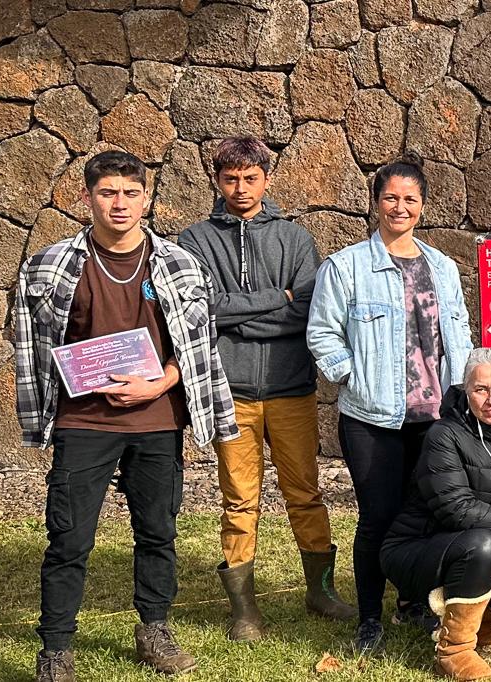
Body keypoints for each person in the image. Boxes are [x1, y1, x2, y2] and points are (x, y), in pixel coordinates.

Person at [17, 150, 238, 682]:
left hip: (157, 420)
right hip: (84, 421)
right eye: (107, 192)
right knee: (69, 538)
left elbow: (199, 345)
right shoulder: (50, 265)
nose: (120, 203)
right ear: (87, 196)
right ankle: (56, 651)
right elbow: (32, 348)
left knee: (158, 532)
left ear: (147, 198)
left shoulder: (180, 264)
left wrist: (161, 381)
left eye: (130, 193)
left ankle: (154, 630)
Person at [176, 136, 354, 641]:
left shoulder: (296, 239)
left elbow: (308, 311)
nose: (240, 187)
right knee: (239, 499)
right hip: (230, 390)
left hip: (291, 387)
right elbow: (204, 310)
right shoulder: (195, 240)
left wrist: (240, 311)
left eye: (250, 178)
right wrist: (277, 298)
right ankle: (245, 610)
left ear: (267, 179)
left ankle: (320, 591)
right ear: (217, 180)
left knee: (305, 492)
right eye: (230, 179)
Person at [308, 153, 476, 652]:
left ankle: (413, 603)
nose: (400, 207)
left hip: (433, 416)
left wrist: (461, 392)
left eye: (410, 199)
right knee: (378, 516)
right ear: (376, 202)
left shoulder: (442, 267)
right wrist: (351, 377)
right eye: (391, 198)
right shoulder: (347, 267)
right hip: (372, 418)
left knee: (422, 514)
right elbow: (322, 332)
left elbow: (459, 331)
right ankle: (369, 618)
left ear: (422, 206)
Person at [380, 347, 491, 682]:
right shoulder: (443, 435)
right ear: (466, 390)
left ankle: (478, 618)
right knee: (483, 544)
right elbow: (457, 511)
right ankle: (454, 650)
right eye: (481, 389)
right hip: (418, 549)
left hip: (484, 549)